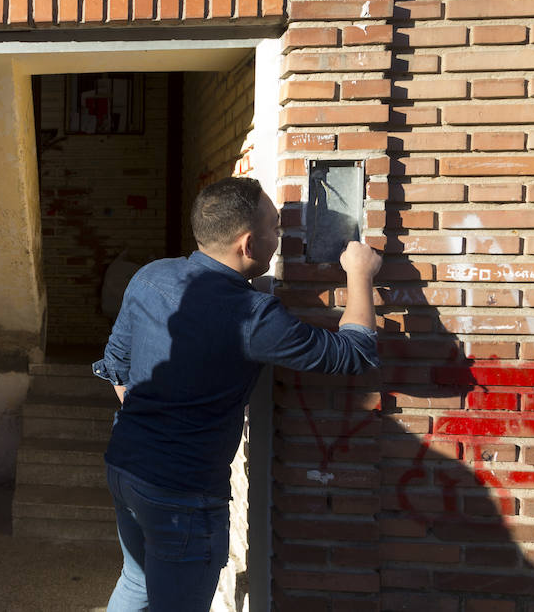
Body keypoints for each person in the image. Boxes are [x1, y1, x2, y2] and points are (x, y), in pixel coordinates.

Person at [92, 176, 382, 612]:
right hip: (181, 494)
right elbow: (353, 354)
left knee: (137, 580)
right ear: (249, 244)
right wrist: (360, 274)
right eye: (276, 229)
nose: (279, 237)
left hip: (125, 467)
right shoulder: (252, 315)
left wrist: (152, 424)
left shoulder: (150, 276)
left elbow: (115, 365)